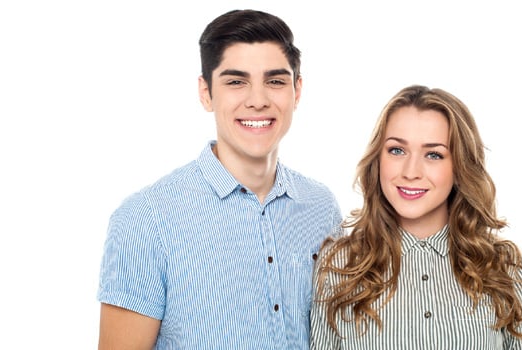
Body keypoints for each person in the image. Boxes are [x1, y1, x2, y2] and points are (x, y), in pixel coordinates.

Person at [97, 9, 343, 349]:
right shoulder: (146, 218)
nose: (258, 101)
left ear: (297, 91)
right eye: (236, 82)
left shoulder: (321, 207)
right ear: (206, 93)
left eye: (275, 81)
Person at [310, 85, 522, 349]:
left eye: (433, 154)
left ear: (460, 166)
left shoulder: (503, 265)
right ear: (378, 158)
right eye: (397, 150)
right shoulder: (340, 266)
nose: (411, 172)